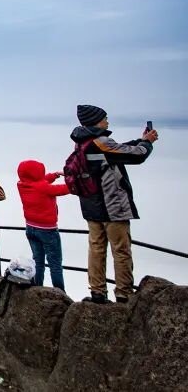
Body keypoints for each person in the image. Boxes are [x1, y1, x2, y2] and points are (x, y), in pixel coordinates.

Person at [72, 104, 158, 304]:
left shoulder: (82, 142)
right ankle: (124, 294)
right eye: (104, 118)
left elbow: (117, 150)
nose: (107, 121)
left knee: (96, 249)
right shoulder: (101, 142)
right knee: (121, 250)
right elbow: (135, 155)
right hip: (112, 206)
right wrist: (148, 144)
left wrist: (141, 140)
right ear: (95, 121)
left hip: (91, 206)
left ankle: (97, 292)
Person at [17, 159, 70, 291]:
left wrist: (54, 175)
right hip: (48, 231)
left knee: (38, 262)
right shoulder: (42, 187)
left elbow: (40, 180)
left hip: (30, 228)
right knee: (55, 264)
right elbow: (65, 189)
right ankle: (60, 294)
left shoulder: (21, 184)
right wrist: (75, 180)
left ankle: (37, 289)